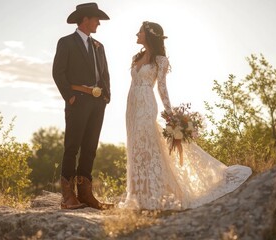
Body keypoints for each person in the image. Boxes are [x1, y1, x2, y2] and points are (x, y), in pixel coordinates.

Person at [118, 21, 252, 210]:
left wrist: (170, 115)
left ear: (149, 35)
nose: (136, 34)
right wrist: (130, 107)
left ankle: (156, 195)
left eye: (139, 32)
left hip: (147, 105)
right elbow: (133, 84)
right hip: (131, 106)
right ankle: (139, 196)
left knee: (148, 147)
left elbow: (162, 88)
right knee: (135, 147)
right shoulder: (136, 57)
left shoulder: (160, 60)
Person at [52, 2, 112, 210]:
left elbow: (105, 74)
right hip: (77, 100)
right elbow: (58, 72)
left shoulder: (99, 46)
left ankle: (85, 195)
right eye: (96, 19)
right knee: (72, 146)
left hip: (98, 102)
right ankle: (68, 197)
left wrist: (106, 96)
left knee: (90, 148)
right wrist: (69, 97)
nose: (98, 24)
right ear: (85, 19)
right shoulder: (66, 42)